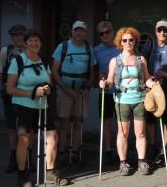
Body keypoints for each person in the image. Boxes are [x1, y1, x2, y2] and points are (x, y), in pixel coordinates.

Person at [6, 29, 68, 186]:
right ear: (25, 43)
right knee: (24, 139)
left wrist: (48, 88)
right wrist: (32, 92)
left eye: (37, 41)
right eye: (31, 40)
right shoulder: (18, 61)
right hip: (23, 106)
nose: (34, 43)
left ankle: (51, 172)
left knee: (53, 137)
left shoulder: (43, 61)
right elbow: (10, 89)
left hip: (42, 106)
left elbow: (49, 82)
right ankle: (23, 174)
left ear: (40, 43)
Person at [99, 27, 157, 176]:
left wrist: (153, 83)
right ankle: (123, 163)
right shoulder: (115, 61)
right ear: (120, 42)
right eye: (124, 40)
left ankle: (141, 161)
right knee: (123, 133)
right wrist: (105, 83)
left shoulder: (140, 59)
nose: (128, 42)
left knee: (141, 133)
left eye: (131, 39)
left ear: (135, 41)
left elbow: (147, 78)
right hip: (122, 100)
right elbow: (111, 80)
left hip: (139, 99)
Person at [52, 20, 96, 166]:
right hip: (65, 89)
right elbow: (54, 71)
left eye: (82, 30)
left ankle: (75, 152)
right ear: (72, 31)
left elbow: (92, 73)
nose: (79, 33)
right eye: (76, 30)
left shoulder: (89, 49)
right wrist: (65, 89)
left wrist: (88, 88)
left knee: (78, 121)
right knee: (64, 122)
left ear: (85, 32)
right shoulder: (62, 47)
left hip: (81, 91)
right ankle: (62, 152)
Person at [0, 24, 35, 173]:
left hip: (28, 96)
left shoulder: (32, 51)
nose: (18, 38)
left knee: (29, 129)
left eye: (20, 35)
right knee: (13, 128)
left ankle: (29, 158)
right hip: (11, 95)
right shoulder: (6, 51)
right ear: (11, 37)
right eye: (15, 35)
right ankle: (14, 158)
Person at [142, 19, 167, 161]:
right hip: (152, 86)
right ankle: (152, 147)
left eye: (165, 30)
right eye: (160, 30)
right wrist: (148, 77)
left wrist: (165, 74)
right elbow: (142, 63)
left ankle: (165, 147)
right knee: (151, 116)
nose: (162, 33)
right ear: (156, 32)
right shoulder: (150, 45)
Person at [93, 21, 120, 165]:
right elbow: (93, 69)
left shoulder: (121, 47)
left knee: (122, 123)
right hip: (106, 91)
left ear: (113, 32)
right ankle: (108, 150)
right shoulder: (96, 50)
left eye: (107, 32)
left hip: (121, 91)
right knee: (107, 122)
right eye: (101, 33)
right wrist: (97, 75)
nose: (104, 35)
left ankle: (121, 151)